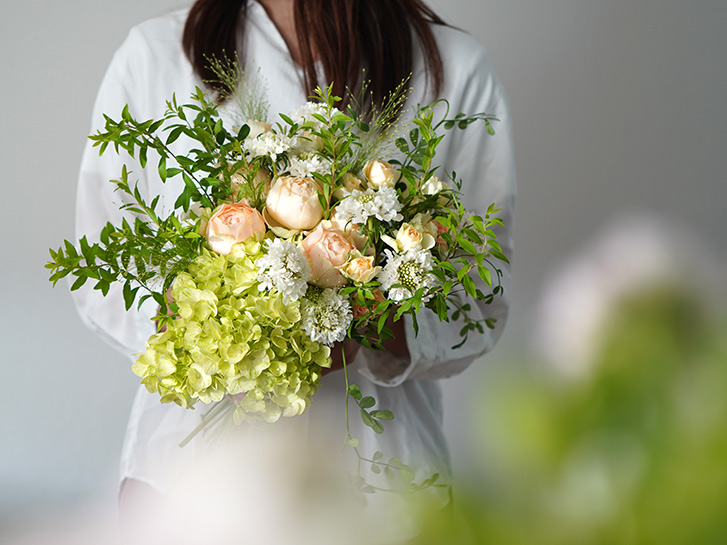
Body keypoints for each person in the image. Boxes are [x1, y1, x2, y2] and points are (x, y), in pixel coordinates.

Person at [72, 0, 515, 537]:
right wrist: (214, 335)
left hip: (384, 489)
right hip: (193, 484)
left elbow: (481, 299)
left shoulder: (454, 66)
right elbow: (107, 267)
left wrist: (361, 328)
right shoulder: (156, 55)